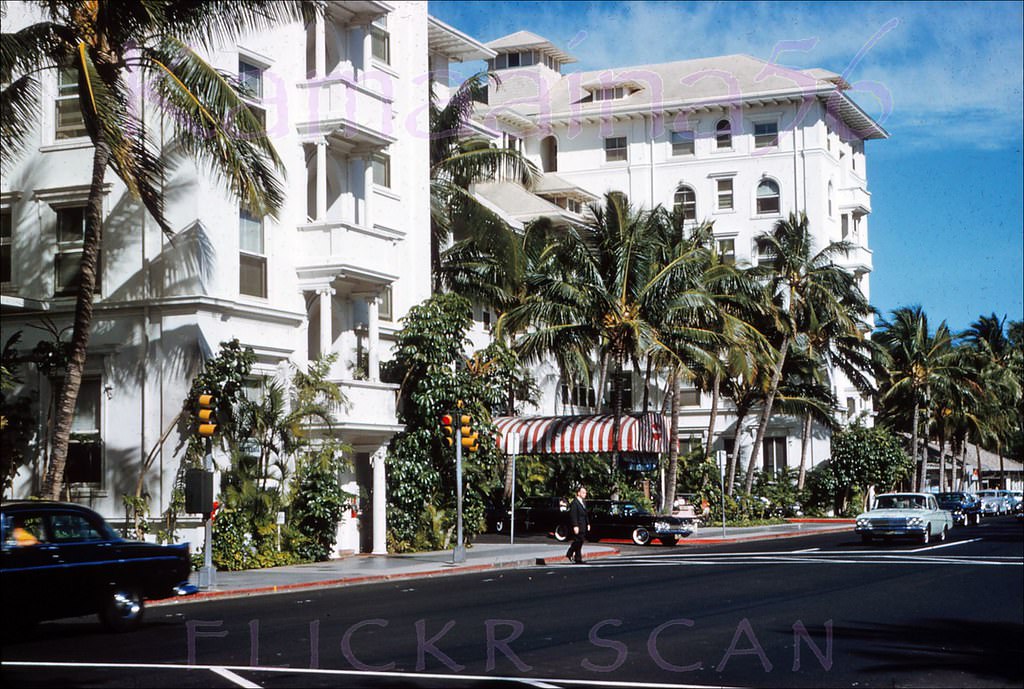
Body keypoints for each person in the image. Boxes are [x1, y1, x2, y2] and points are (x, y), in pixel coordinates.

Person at [565, 485, 589, 564]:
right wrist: (575, 525)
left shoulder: (583, 502)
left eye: (585, 492)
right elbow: (573, 515)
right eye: (583, 492)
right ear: (578, 493)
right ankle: (570, 552)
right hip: (578, 525)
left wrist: (588, 523)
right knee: (578, 540)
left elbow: (586, 514)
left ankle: (578, 558)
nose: (584, 494)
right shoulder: (575, 503)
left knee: (580, 541)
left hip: (583, 524)